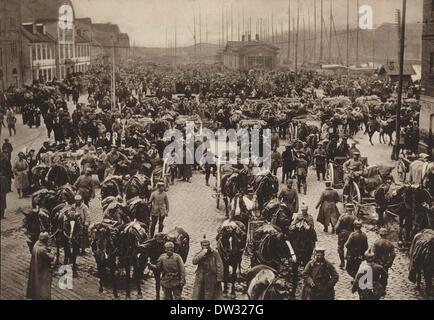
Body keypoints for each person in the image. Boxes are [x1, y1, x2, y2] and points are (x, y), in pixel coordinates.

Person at [26, 232, 54, 300]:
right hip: (42, 271)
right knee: (43, 287)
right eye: (48, 239)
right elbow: (50, 257)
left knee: (35, 284)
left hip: (36, 268)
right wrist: (53, 252)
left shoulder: (36, 244)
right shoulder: (43, 250)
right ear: (45, 240)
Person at [335, 203, 356, 269]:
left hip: (342, 234)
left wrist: (338, 232)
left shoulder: (342, 216)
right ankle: (348, 263)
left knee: (340, 248)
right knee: (350, 248)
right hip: (351, 234)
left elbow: (336, 227)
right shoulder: (354, 217)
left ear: (346, 209)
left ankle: (342, 262)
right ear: (352, 209)